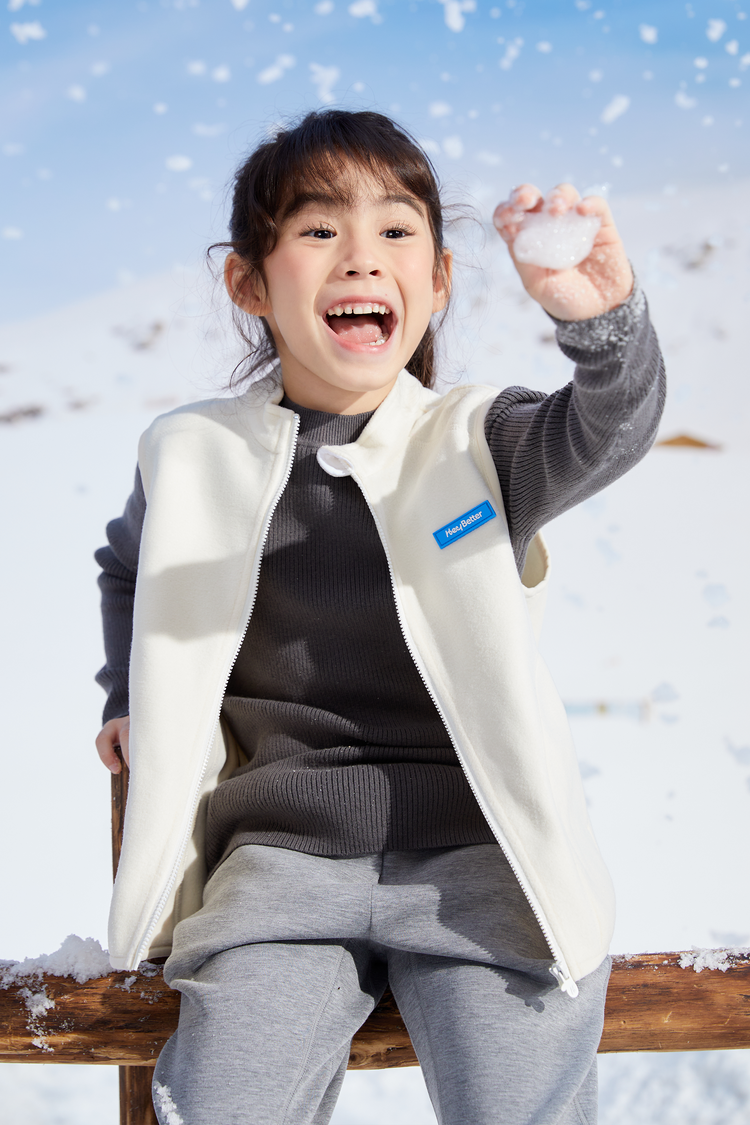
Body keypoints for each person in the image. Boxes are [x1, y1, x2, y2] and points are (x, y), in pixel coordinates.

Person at [94, 109, 665, 1125]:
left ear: (438, 281)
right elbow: (129, 565)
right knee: (226, 1095)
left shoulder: (479, 442)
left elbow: (608, 427)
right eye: (319, 231)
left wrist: (601, 325)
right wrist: (129, 694)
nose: (362, 257)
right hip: (277, 868)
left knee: (523, 1098)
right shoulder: (193, 455)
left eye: (397, 232)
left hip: (482, 865)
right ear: (248, 282)